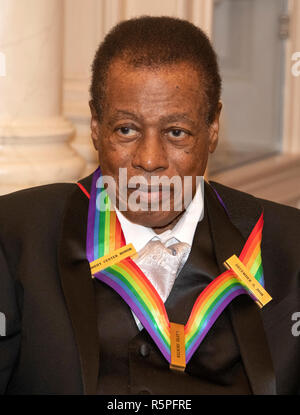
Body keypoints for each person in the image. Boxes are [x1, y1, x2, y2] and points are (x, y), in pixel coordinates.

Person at [0, 16, 300, 395]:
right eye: (127, 129)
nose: (149, 159)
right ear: (96, 125)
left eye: (177, 132)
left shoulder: (287, 248)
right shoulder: (15, 238)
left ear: (212, 129)